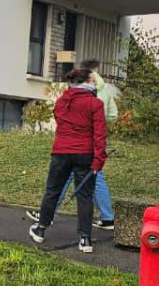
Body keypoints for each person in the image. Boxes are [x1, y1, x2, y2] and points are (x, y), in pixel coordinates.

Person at [27, 58, 117, 230]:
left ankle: (45, 218)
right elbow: (112, 115)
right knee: (90, 185)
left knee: (57, 186)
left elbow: (59, 115)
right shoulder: (103, 90)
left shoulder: (69, 96)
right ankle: (92, 229)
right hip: (89, 145)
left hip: (68, 146)